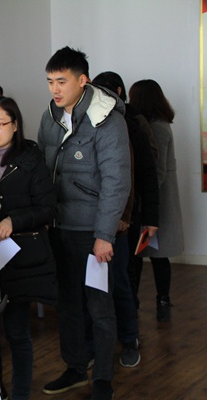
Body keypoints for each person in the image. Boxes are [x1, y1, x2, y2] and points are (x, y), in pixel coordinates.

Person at [37, 47, 130, 400]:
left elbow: (116, 182)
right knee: (67, 304)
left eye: (61, 81)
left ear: (82, 80)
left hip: (93, 232)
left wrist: (104, 235)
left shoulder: (108, 119)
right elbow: (42, 171)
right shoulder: (50, 115)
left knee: (99, 306)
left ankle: (103, 377)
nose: (55, 89)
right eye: (50, 81)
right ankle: (76, 367)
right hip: (59, 227)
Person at [0, 96, 56, 400]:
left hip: (18, 258)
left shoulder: (31, 160)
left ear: (15, 124)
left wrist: (14, 219)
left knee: (17, 332)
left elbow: (47, 208)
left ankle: (20, 394)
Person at [90, 71, 161, 368]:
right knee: (94, 287)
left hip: (121, 222)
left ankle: (129, 340)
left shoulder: (130, 126)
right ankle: (96, 345)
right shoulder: (84, 125)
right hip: (89, 222)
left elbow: (141, 177)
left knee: (121, 282)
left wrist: (133, 217)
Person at [128, 79, 184, 322]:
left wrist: (145, 199)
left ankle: (159, 299)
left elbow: (157, 171)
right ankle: (159, 300)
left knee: (153, 254)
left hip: (158, 200)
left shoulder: (156, 127)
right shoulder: (160, 124)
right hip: (158, 198)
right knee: (150, 254)